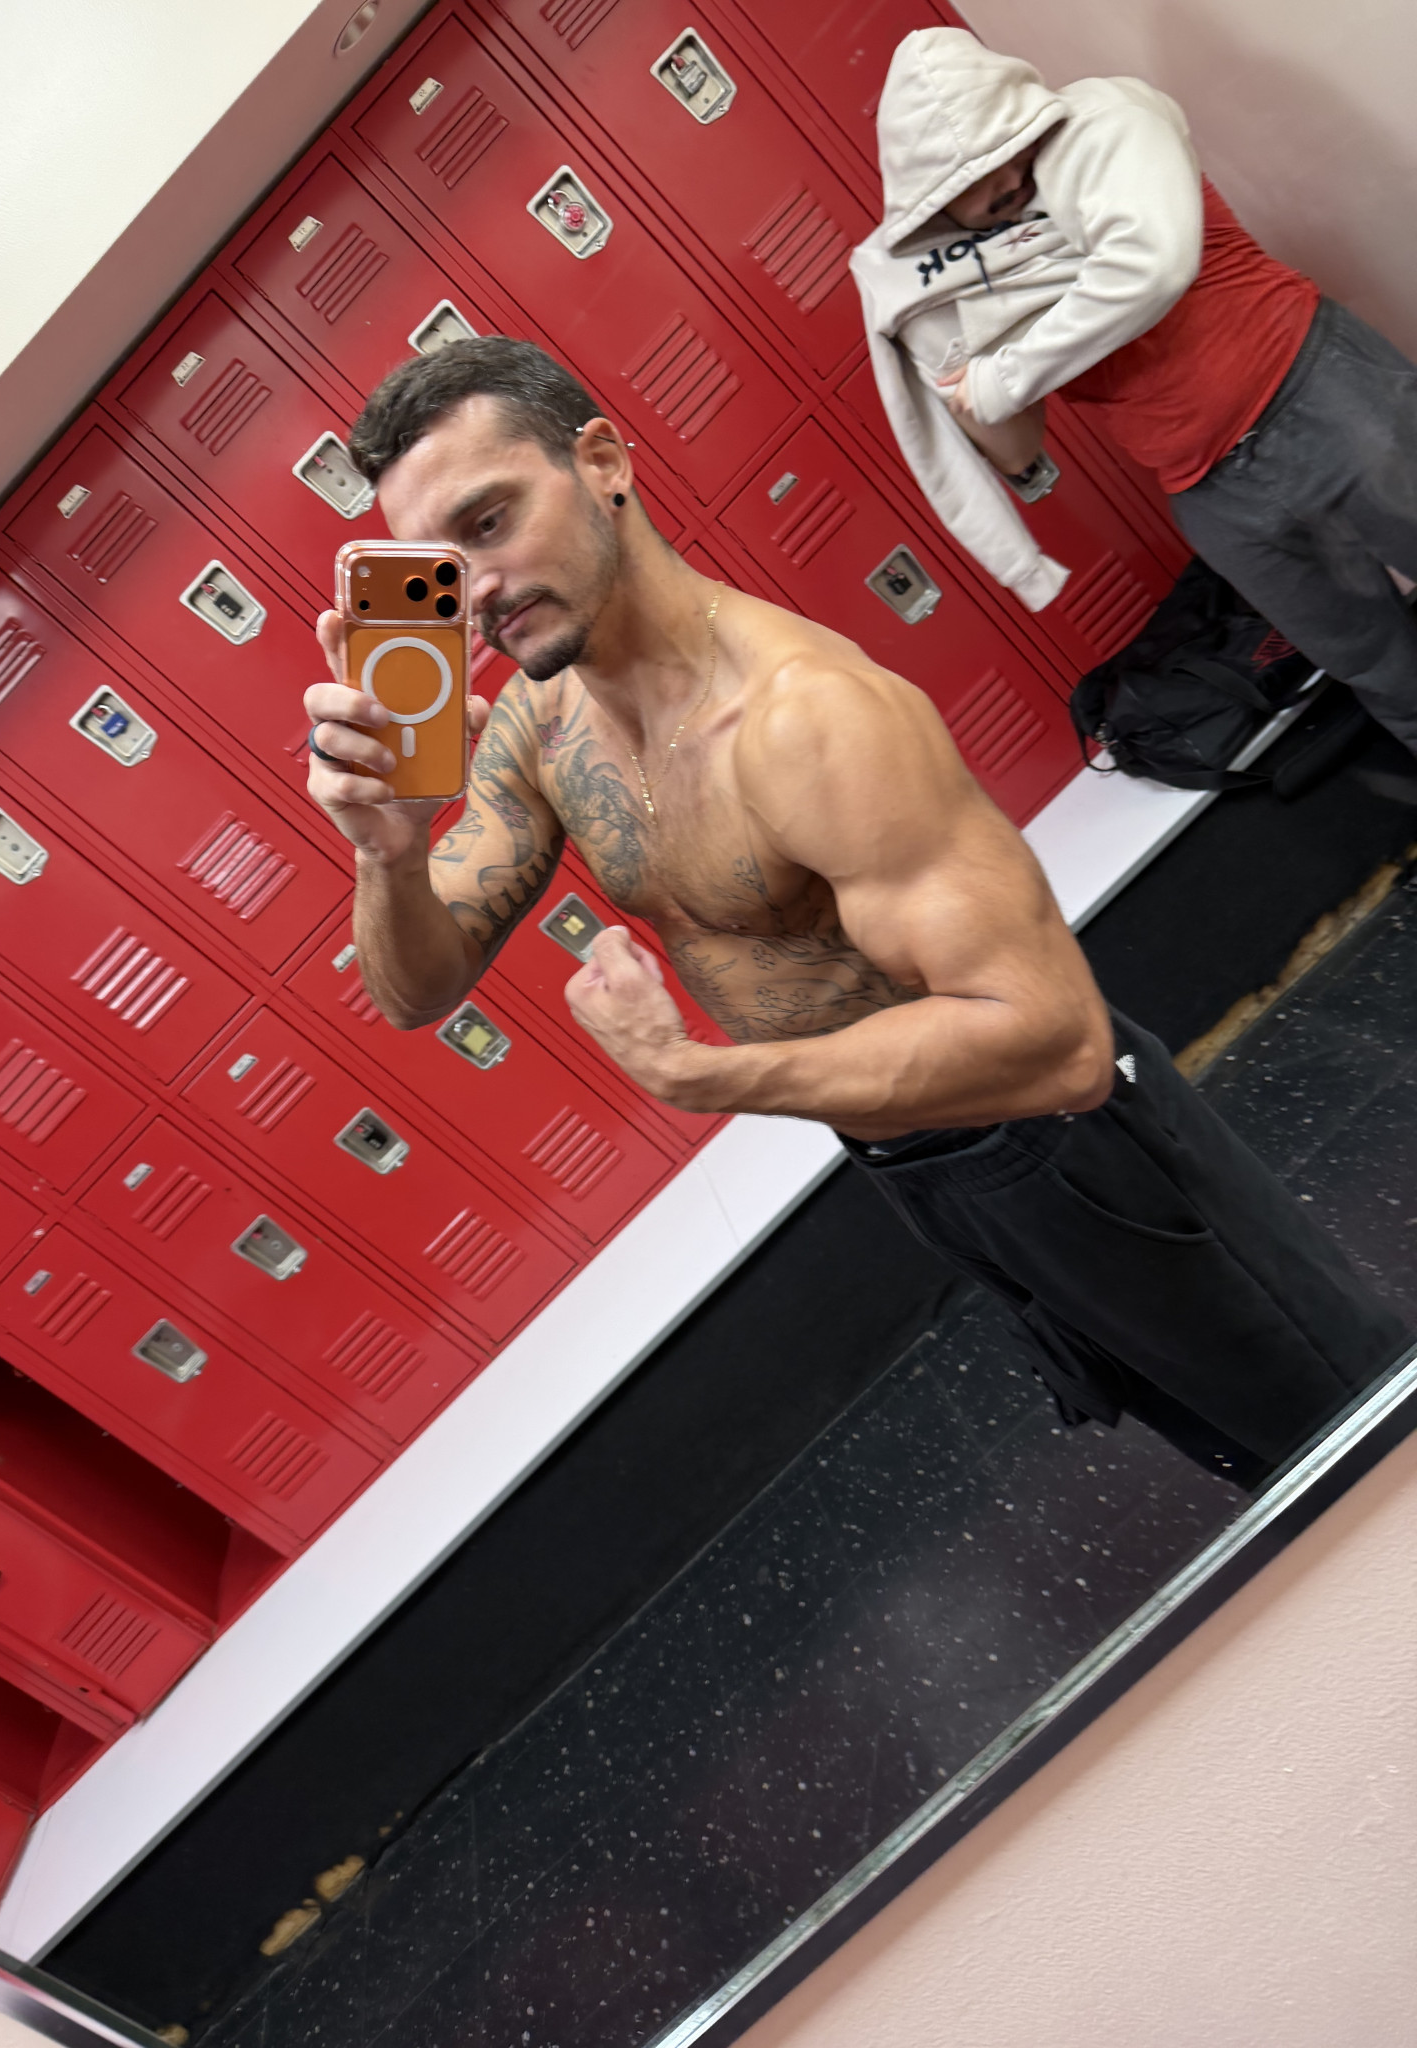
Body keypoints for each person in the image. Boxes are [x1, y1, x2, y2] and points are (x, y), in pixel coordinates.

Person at [302, 336, 1407, 1488]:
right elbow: (416, 989)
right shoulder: (544, 726)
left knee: (1348, 1430)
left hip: (1062, 1145)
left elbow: (1058, 1044)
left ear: (602, 462)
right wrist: (390, 851)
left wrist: (700, 1074)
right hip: (914, 1160)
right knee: (1246, 1456)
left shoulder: (807, 718)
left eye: (490, 522)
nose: (475, 588)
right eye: (439, 565)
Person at [851, 27, 1417, 757]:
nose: (1004, 180)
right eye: (969, 179)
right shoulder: (981, 275)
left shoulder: (1108, 122)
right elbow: (1018, 449)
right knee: (1377, 668)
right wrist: (951, 357)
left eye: (1005, 150)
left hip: (1318, 395)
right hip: (1211, 493)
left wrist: (1003, 375)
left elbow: (1152, 267)